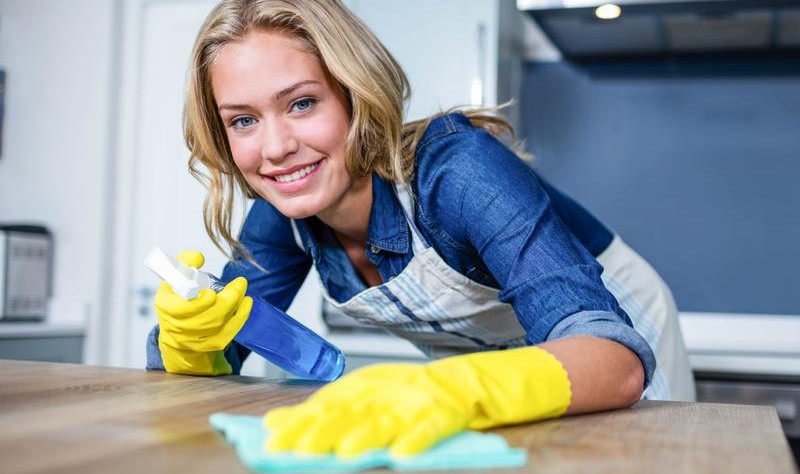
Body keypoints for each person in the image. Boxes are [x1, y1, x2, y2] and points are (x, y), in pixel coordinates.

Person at [146, 0, 694, 458]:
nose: (275, 148)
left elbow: (614, 361)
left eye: (303, 103)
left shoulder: (459, 172)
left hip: (602, 329)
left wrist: (460, 387)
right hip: (489, 379)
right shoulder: (283, 216)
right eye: (243, 120)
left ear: (356, 96)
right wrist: (192, 344)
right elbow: (225, 360)